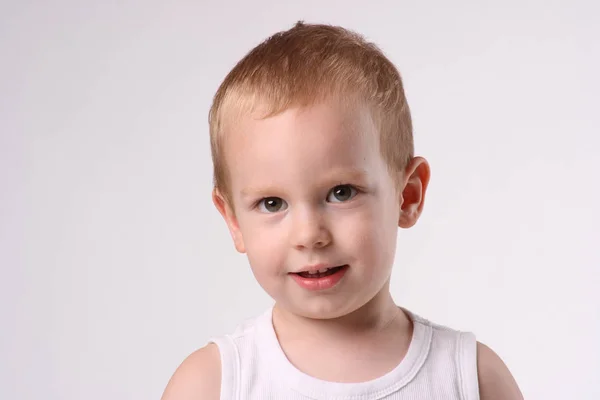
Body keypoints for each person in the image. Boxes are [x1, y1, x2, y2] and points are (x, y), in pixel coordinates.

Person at [161, 21, 523, 399]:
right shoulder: (212, 385)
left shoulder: (471, 379)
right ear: (233, 220)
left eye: (341, 192)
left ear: (408, 195)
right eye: (272, 203)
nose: (308, 235)